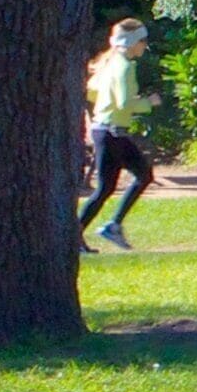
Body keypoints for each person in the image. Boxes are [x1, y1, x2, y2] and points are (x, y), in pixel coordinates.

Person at [78, 19, 166, 251]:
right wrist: (148, 102)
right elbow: (125, 103)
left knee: (137, 177)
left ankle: (109, 227)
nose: (144, 45)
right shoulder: (125, 67)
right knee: (109, 187)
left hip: (108, 131)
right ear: (131, 42)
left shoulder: (110, 63)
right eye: (142, 40)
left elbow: (93, 93)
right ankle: (80, 234)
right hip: (112, 133)